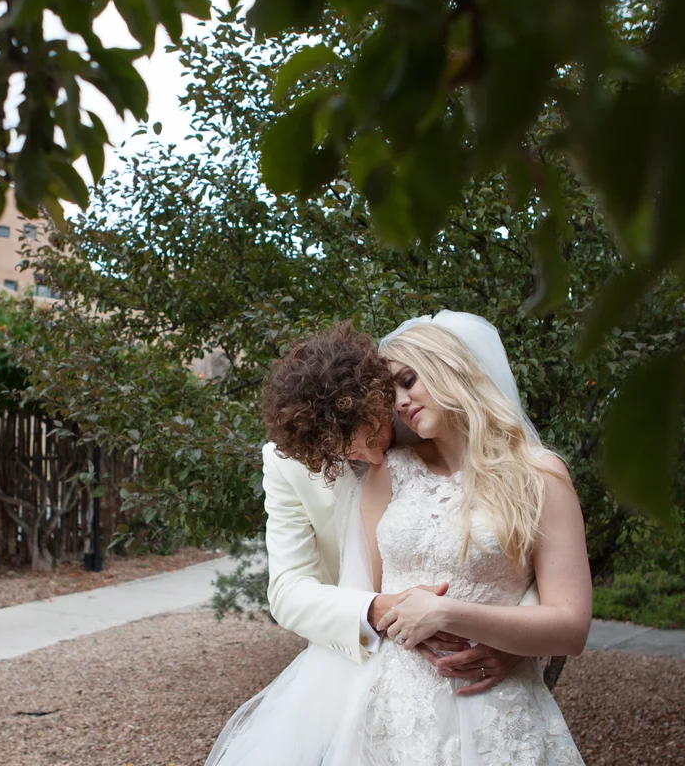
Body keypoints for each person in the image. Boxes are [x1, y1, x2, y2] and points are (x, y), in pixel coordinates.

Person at [207, 312, 590, 765]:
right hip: (390, 691)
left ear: (371, 401)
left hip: (495, 702)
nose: (367, 456)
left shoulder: (536, 475)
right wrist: (381, 610)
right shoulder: (362, 467)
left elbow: (555, 601)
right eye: (345, 452)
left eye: (371, 430)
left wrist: (509, 640)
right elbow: (294, 590)